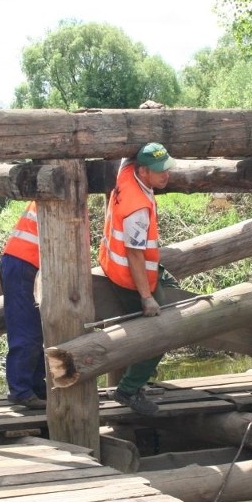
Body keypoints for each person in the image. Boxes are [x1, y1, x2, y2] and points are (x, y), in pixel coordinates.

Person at [98, 142, 176, 415]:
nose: (166, 175)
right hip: (128, 276)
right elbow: (134, 255)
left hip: (112, 260)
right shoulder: (137, 209)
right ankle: (128, 390)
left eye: (166, 168)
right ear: (142, 171)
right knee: (159, 335)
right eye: (159, 171)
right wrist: (146, 297)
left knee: (168, 293)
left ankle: (136, 382)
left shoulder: (126, 170)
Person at [0, 200, 47, 409]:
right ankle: (21, 390)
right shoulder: (53, 194)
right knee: (26, 329)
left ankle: (35, 385)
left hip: (25, 262)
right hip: (23, 263)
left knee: (37, 330)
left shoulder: (45, 195)